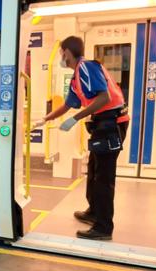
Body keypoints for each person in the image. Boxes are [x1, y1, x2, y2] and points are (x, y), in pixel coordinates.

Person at [34, 36, 129, 240]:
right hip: (102, 124)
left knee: (104, 177)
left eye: (61, 52)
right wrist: (45, 119)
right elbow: (68, 104)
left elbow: (105, 97)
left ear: (67, 52)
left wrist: (76, 119)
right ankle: (94, 212)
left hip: (111, 123)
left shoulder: (86, 67)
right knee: (93, 170)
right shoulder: (77, 77)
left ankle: (103, 227)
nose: (61, 56)